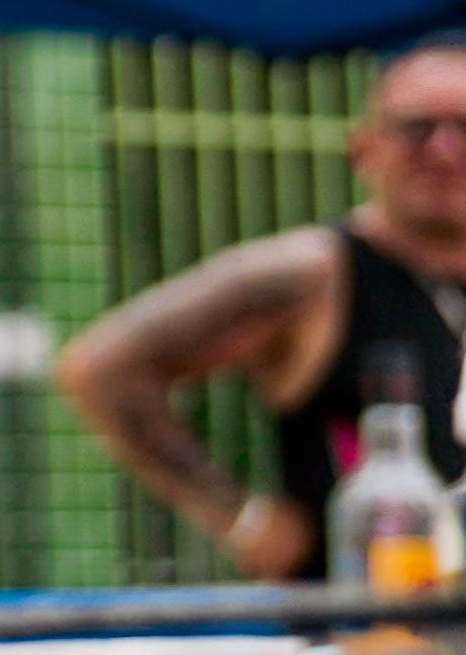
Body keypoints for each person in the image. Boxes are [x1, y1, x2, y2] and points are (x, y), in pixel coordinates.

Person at [53, 40, 466, 581]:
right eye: (417, 129)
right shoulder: (315, 272)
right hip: (356, 634)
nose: (445, 151)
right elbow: (100, 366)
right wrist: (238, 518)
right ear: (364, 148)